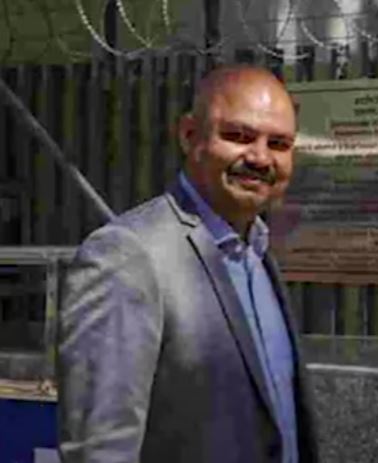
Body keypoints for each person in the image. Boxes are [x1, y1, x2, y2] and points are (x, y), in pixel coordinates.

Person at [58, 64, 319, 463]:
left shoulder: (257, 254)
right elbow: (100, 449)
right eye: (238, 136)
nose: (260, 157)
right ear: (189, 135)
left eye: (279, 144)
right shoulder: (129, 256)